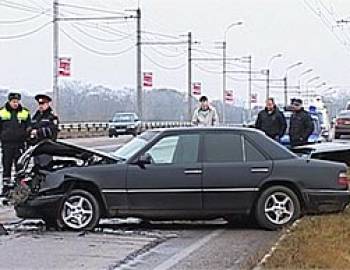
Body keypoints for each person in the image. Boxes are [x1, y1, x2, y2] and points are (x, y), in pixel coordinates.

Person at [0, 93, 30, 195]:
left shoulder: (25, 112)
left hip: (20, 145)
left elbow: (29, 127)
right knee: (6, 166)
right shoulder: (2, 112)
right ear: (9, 101)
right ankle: (6, 189)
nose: (15, 103)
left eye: (17, 101)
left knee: (20, 167)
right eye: (14, 102)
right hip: (7, 144)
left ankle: (19, 187)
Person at [30, 94, 59, 167]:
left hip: (47, 148)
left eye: (43, 104)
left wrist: (37, 132)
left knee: (45, 167)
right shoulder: (36, 116)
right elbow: (31, 127)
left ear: (48, 104)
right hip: (36, 147)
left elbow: (52, 131)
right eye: (39, 104)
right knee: (37, 168)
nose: (41, 106)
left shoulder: (52, 116)